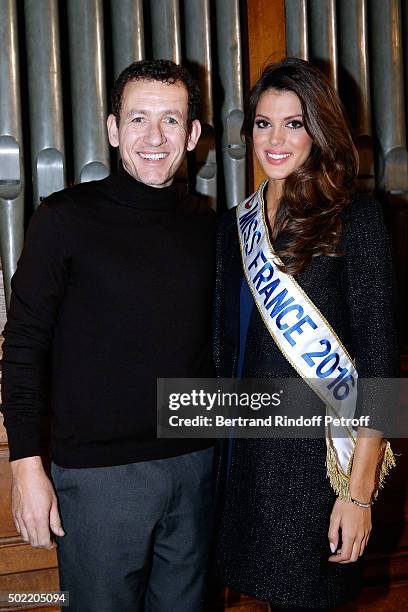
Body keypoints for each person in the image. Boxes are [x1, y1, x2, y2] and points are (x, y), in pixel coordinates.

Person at [1, 59, 216, 612]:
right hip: (99, 480)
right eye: (138, 118)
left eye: (171, 121)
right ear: (114, 128)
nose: (154, 137)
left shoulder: (210, 226)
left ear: (192, 135)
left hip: (196, 465)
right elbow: (23, 344)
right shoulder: (64, 218)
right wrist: (25, 465)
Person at [214, 57, 397, 609]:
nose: (275, 138)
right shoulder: (232, 227)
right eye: (263, 122)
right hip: (247, 466)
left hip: (318, 475)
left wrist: (358, 495)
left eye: (294, 123)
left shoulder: (355, 220)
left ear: (318, 131)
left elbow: (382, 368)